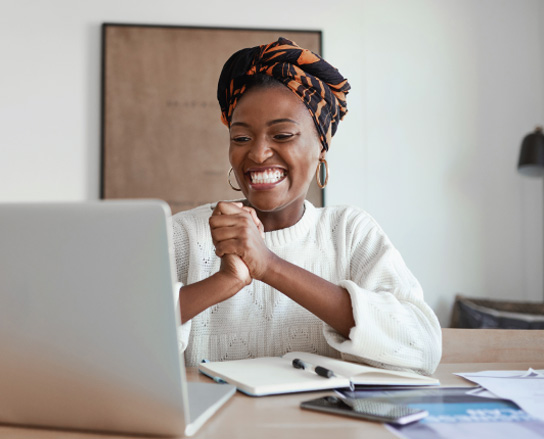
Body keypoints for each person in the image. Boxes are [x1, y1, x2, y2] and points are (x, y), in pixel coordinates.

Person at [173, 38, 441, 375]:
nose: (257, 154)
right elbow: (116, 339)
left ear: (321, 147)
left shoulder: (349, 232)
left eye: (282, 135)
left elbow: (422, 348)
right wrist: (224, 281)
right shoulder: (184, 234)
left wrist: (269, 265)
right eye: (241, 138)